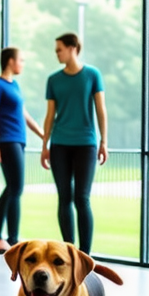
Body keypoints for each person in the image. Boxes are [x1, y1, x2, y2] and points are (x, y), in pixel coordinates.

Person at [40, 33, 107, 255]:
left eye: (59, 49)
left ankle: (85, 254)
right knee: (64, 198)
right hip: (60, 144)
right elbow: (50, 116)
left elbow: (101, 110)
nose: (57, 54)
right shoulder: (53, 80)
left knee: (82, 197)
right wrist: (44, 145)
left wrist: (103, 141)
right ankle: (68, 249)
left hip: (86, 143)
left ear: (72, 48)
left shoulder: (92, 75)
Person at [0, 47, 45, 254]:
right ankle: (11, 240)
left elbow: (23, 113)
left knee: (12, 188)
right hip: (7, 141)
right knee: (16, 188)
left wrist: (43, 134)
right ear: (10, 61)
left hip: (19, 141)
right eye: (21, 60)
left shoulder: (15, 85)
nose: (23, 63)